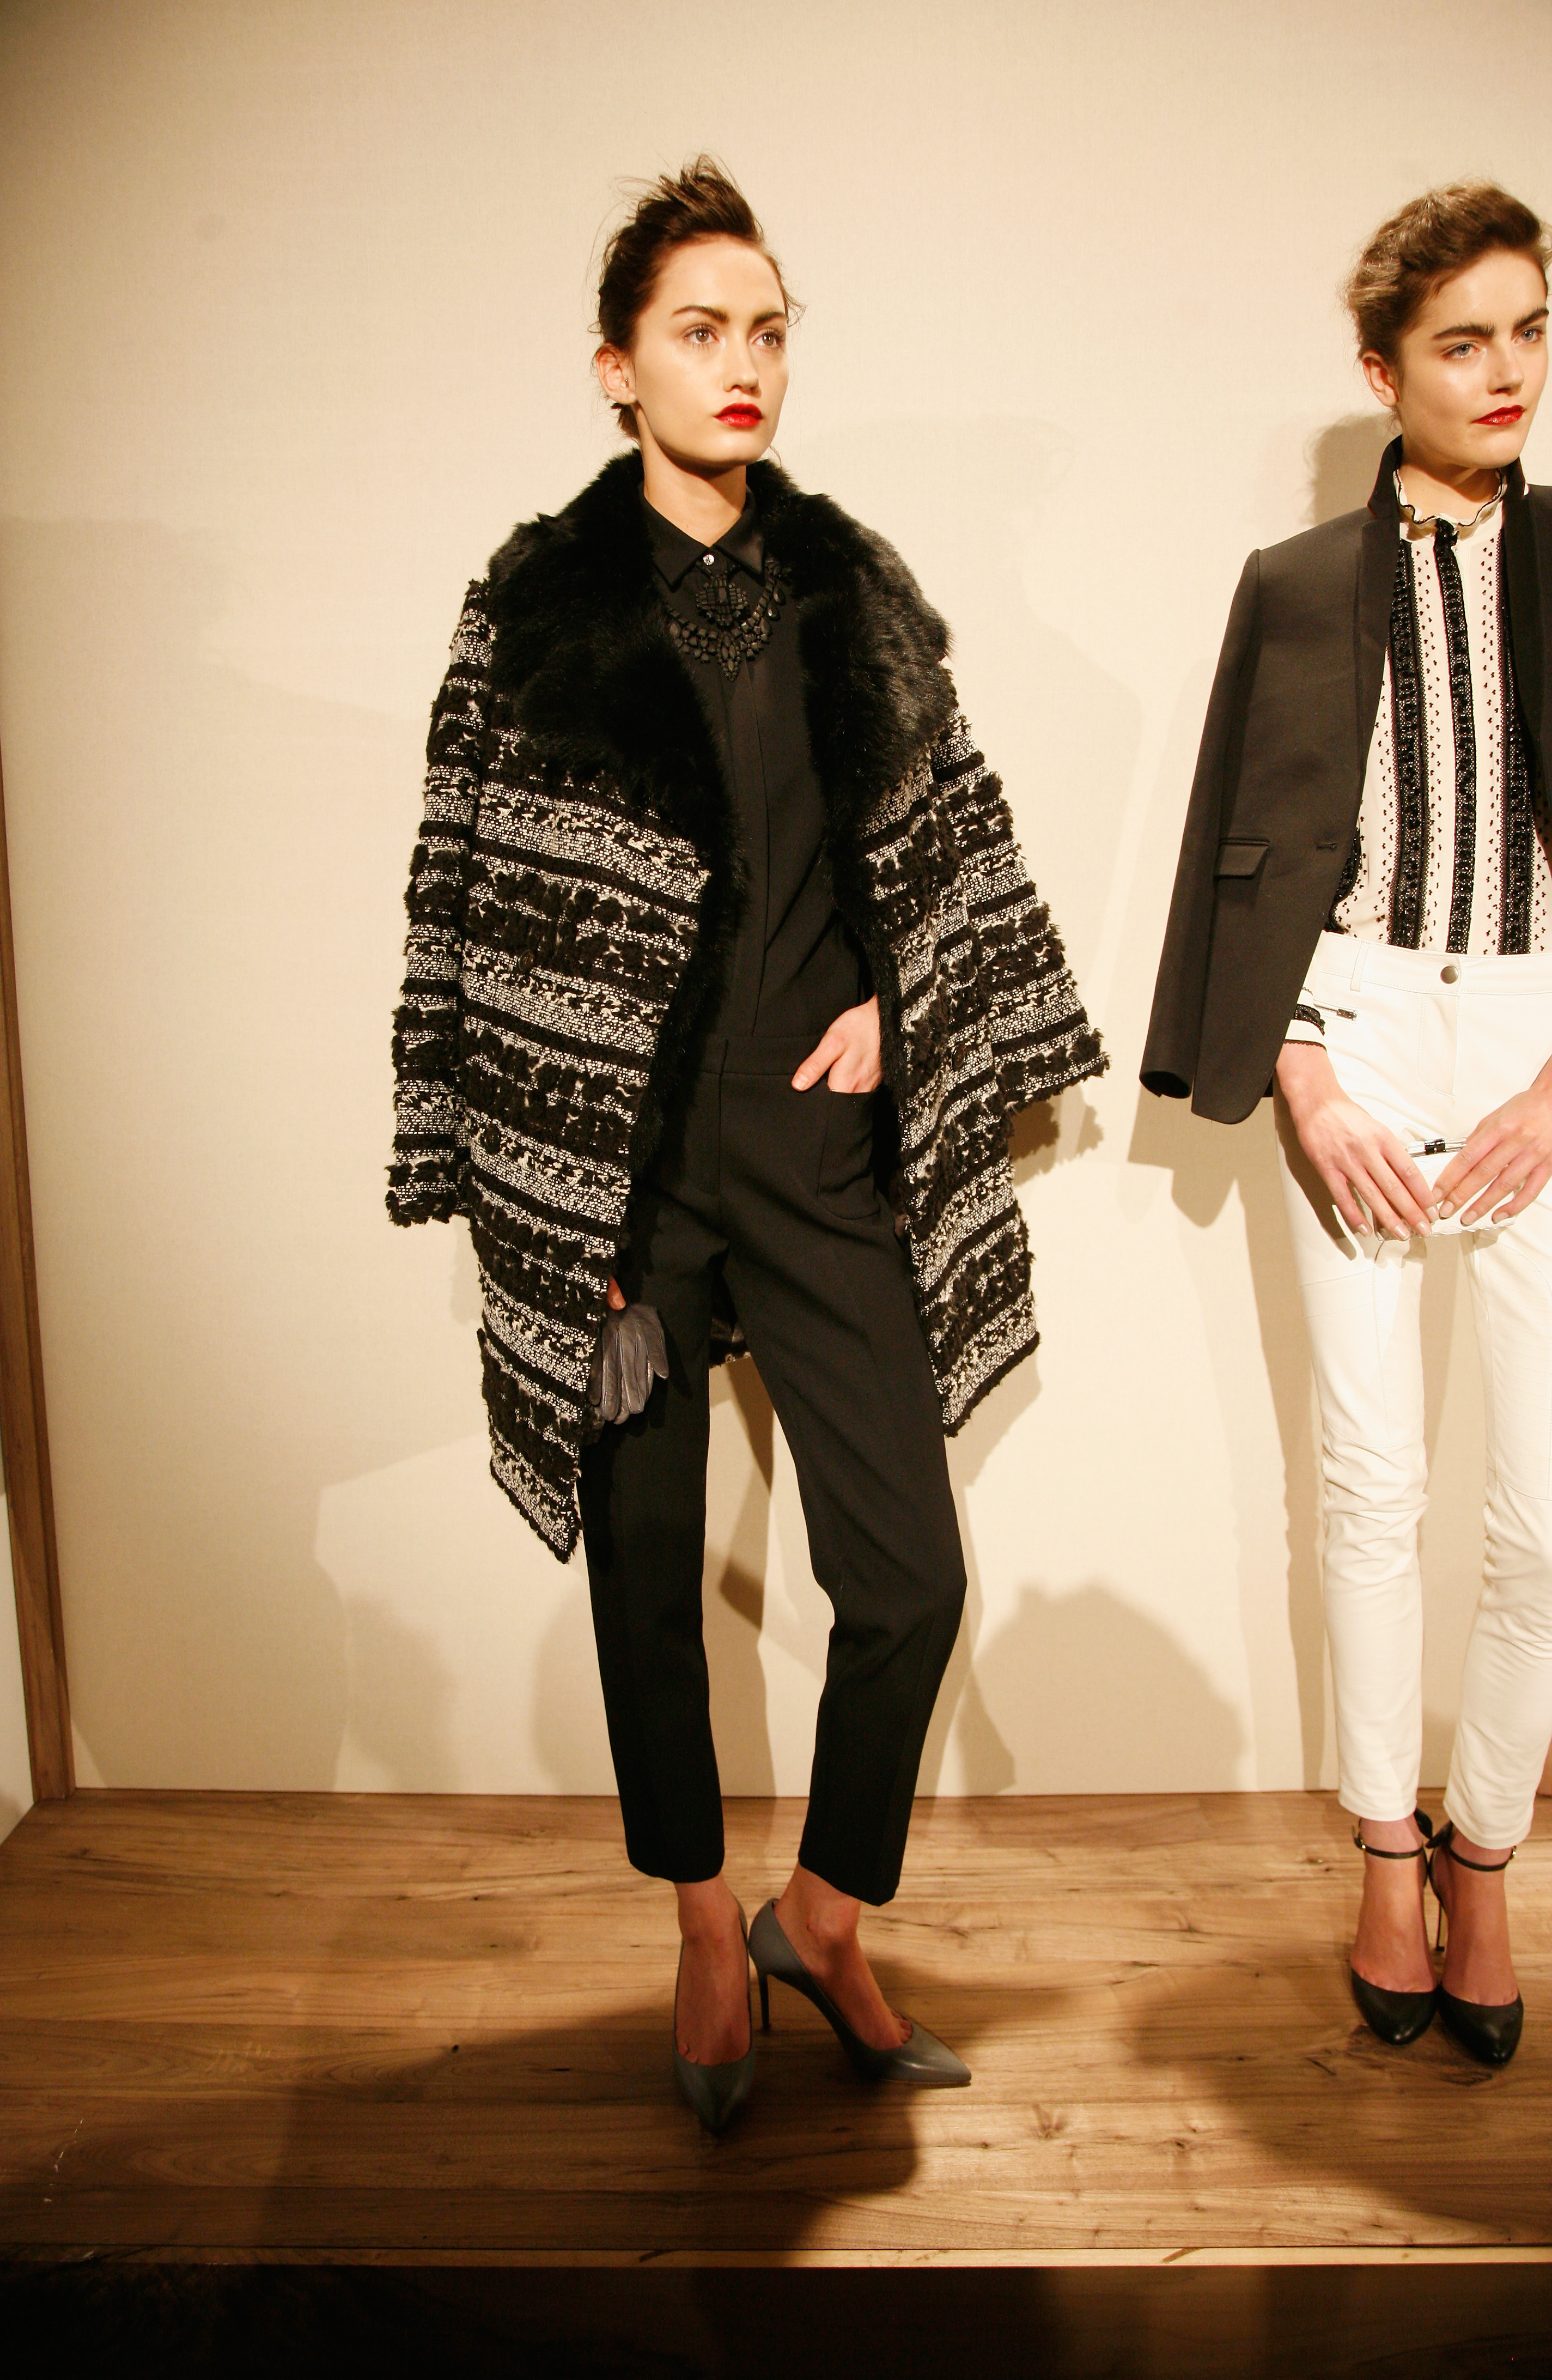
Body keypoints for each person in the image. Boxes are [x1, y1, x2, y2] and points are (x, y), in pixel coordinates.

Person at [389, 160, 1104, 2129]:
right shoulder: (534, 609)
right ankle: (707, 1928)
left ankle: (824, 1917)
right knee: (646, 1575)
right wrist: (510, 1156)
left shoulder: (854, 596)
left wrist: (906, 1008)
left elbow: (953, 868)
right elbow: (463, 895)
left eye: (770, 330)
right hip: (621, 1180)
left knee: (912, 1578)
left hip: (816, 1154)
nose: (745, 364)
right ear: (615, 366)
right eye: (700, 329)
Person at [1143, 183, 1552, 2066]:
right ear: (1383, 370)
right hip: (1362, 1031)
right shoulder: (1300, 583)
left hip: (1541, 1041)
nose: (1507, 372)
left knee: (1541, 1508)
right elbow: (1240, 848)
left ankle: (1490, 1858)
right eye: (1464, 342)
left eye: (1530, 332)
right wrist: (1301, 1073)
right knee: (1372, 1482)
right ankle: (1388, 1850)